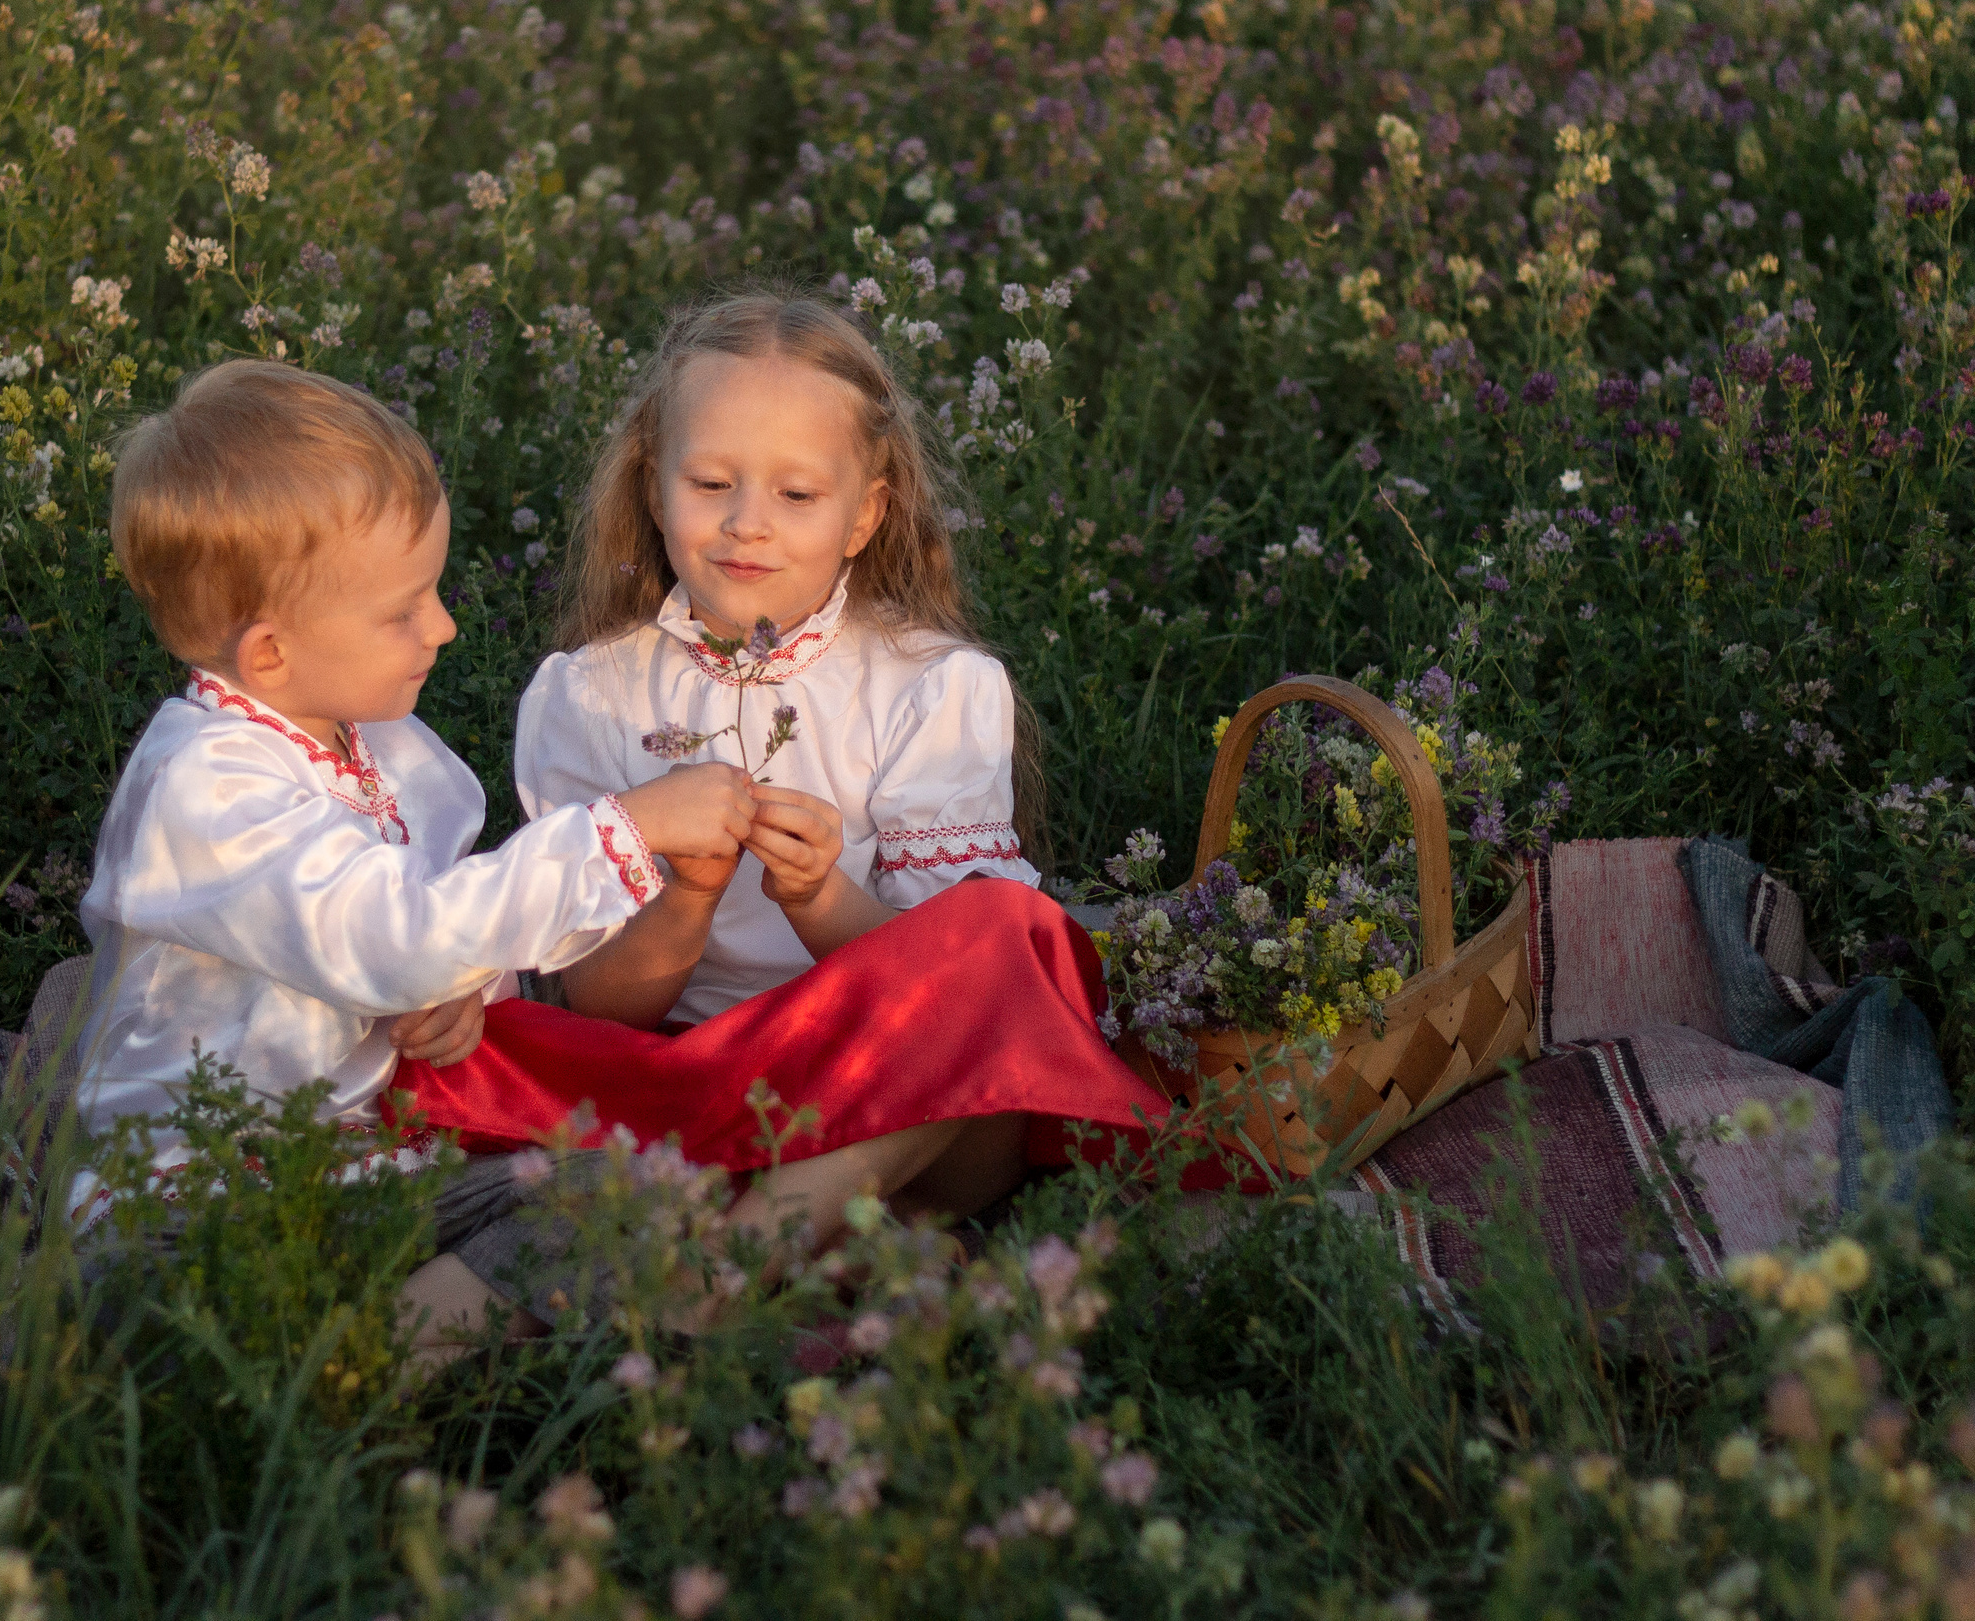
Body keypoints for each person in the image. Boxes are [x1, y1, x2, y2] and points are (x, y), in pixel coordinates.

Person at [392, 293, 1173, 1335]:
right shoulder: (593, 694)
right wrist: (685, 898)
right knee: (437, 1027)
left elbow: (959, 987)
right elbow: (600, 1005)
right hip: (684, 1081)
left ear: (864, 515)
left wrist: (818, 897)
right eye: (710, 483)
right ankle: (823, 1244)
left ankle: (726, 1260)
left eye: (797, 494)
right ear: (654, 489)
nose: (746, 520)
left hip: (903, 1102)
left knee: (1014, 940)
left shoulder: (931, 685)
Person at [69, 357, 757, 1348]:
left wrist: (457, 991)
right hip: (187, 1205)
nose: (441, 626)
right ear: (268, 651)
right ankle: (362, 1370)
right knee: (591, 1217)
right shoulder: (206, 788)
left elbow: (411, 925)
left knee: (616, 1184)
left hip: (345, 1169)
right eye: (401, 610)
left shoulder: (361, 734)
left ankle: (381, 1345)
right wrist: (631, 829)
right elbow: (397, 932)